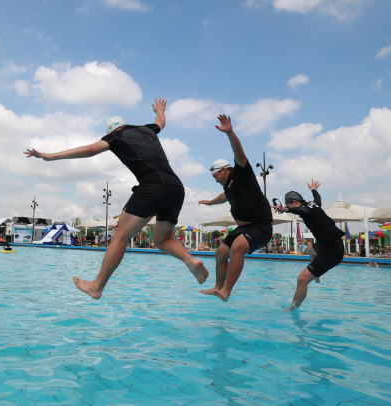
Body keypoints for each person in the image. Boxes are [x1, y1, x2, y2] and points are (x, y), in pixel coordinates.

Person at [25, 97, 208, 300]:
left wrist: (50, 156)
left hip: (152, 186)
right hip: (176, 188)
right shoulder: (146, 129)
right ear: (124, 124)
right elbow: (160, 122)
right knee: (162, 239)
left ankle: (97, 286)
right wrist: (160, 110)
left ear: (110, 131)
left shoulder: (116, 137)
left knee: (120, 236)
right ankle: (190, 260)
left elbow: (90, 150)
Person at [198, 114, 273, 302]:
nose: (215, 179)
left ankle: (227, 291)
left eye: (215, 175)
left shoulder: (241, 175)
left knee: (237, 247)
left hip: (260, 226)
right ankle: (217, 287)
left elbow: (239, 153)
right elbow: (224, 197)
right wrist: (210, 202)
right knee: (221, 252)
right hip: (244, 227)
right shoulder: (228, 187)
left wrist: (229, 132)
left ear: (224, 170)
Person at [274, 179, 345, 310]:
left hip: (332, 251)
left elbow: (303, 212)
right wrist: (313, 189)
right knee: (310, 248)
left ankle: (292, 309)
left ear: (295, 202)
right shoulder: (314, 204)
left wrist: (286, 209)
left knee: (302, 279)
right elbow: (317, 197)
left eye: (290, 204)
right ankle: (316, 274)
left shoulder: (305, 209)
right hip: (329, 245)